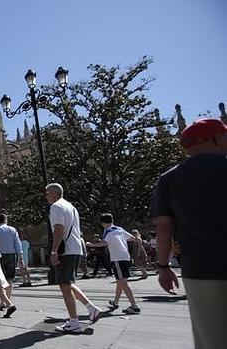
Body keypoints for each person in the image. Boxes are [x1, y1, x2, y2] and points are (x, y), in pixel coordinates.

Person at [150, 118, 227, 348]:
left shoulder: (170, 178)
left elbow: (163, 228)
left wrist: (163, 267)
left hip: (200, 269)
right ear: (219, 138)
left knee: (212, 339)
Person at [46, 183, 102, 333]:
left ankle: (74, 322)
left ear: (55, 193)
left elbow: (58, 229)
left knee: (64, 285)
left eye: (47, 193)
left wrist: (53, 252)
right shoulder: (71, 207)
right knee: (68, 283)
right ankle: (92, 309)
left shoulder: (56, 206)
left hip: (66, 250)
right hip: (75, 248)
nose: (46, 196)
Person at [87, 214, 140, 314]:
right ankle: (115, 302)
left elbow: (104, 243)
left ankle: (134, 306)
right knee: (119, 281)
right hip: (125, 257)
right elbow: (132, 238)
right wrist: (137, 237)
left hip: (117, 258)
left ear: (103, 223)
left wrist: (91, 245)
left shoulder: (107, 231)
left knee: (123, 282)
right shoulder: (119, 229)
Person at [0, 213, 24, 311]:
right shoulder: (12, 229)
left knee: (0, 280)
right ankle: (8, 300)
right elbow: (17, 243)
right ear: (5, 220)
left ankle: (3, 302)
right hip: (11, 256)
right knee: (9, 280)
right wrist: (21, 257)